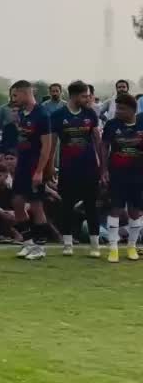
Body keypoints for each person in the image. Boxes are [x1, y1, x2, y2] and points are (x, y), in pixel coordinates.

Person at [49, 80, 101, 257]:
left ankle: (95, 246)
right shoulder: (58, 115)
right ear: (75, 96)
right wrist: (50, 166)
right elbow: (52, 143)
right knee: (67, 206)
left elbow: (97, 140)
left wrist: (101, 165)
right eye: (85, 96)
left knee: (91, 206)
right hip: (68, 168)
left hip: (89, 168)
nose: (88, 99)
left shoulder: (90, 113)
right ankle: (68, 244)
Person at [9, 79, 54, 260]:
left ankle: (40, 248)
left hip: (35, 166)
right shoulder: (21, 114)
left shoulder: (42, 115)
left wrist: (39, 171)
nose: (13, 99)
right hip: (22, 165)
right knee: (17, 202)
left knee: (36, 206)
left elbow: (47, 146)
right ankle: (27, 243)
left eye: (15, 95)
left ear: (25, 93)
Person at [101, 92, 143, 262]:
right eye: (117, 108)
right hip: (117, 173)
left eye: (122, 109)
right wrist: (104, 170)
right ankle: (113, 248)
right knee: (116, 209)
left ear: (133, 110)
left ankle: (132, 246)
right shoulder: (112, 124)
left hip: (138, 174)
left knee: (135, 211)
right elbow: (104, 147)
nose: (117, 111)